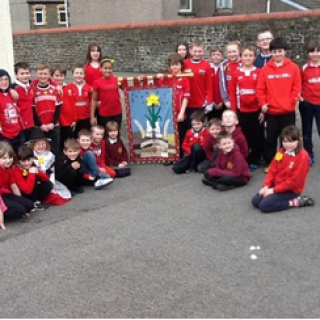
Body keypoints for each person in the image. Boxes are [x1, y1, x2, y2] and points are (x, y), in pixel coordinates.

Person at [256, 37, 301, 173]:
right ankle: (271, 163)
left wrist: (290, 101)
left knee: (287, 141)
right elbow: (260, 89)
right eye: (274, 51)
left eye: (280, 51)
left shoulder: (293, 67)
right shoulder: (265, 70)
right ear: (271, 53)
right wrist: (263, 103)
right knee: (270, 139)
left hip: (287, 111)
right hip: (271, 112)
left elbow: (296, 87)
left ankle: (286, 164)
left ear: (285, 51)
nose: (277, 54)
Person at [252, 125, 314, 213]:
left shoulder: (303, 157)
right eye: (285, 141)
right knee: (255, 201)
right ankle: (276, 195)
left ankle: (294, 202)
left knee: (264, 205)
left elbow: (294, 182)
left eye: (291, 141)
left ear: (299, 141)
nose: (288, 145)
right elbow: (272, 170)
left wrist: (273, 190)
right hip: (277, 184)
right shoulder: (281, 151)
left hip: (291, 189)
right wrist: (266, 186)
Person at [229, 45, 263, 169]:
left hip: (256, 110)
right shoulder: (235, 73)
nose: (247, 58)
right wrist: (233, 112)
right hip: (241, 110)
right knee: (244, 136)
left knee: (257, 135)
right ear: (241, 57)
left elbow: (262, 91)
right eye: (245, 55)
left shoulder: (259, 72)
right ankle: (244, 158)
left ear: (254, 57)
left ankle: (256, 158)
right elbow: (232, 93)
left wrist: (262, 110)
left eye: (250, 55)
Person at [27, 128, 71, 205]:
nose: (41, 146)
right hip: (34, 180)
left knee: (52, 188)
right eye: (38, 144)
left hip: (46, 179)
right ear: (33, 145)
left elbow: (52, 170)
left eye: (43, 144)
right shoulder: (30, 156)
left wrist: (52, 182)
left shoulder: (50, 155)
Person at [0, 141, 34, 225]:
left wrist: (20, 200)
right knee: (20, 210)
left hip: (4, 194)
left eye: (10, 157)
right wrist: (0, 218)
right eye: (4, 158)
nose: (8, 160)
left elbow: (13, 185)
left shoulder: (8, 168)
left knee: (29, 205)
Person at [33, 62, 62, 155]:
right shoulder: (32, 89)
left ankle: (55, 168)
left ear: (49, 74)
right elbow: (32, 109)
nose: (43, 76)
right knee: (40, 151)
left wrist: (53, 123)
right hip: (39, 126)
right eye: (40, 74)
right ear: (36, 74)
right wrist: (40, 125)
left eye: (45, 74)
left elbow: (58, 107)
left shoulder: (55, 88)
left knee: (54, 150)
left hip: (53, 125)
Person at [183, 39, 213, 127]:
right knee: (188, 127)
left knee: (200, 127)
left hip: (201, 103)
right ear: (190, 51)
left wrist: (209, 103)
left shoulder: (206, 65)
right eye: (195, 51)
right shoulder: (184, 63)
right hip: (186, 102)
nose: (197, 53)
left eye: (199, 51)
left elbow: (209, 85)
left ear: (203, 51)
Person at [299, 41, 320, 165]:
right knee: (306, 132)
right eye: (312, 51)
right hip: (307, 104)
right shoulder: (304, 68)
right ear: (308, 53)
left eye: (318, 51)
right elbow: (298, 84)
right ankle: (309, 154)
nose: (315, 54)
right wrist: (301, 98)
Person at [91, 57, 122, 129]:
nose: (108, 70)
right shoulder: (97, 82)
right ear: (100, 69)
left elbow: (127, 89)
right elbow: (94, 100)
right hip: (104, 114)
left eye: (110, 68)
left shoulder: (117, 80)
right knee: (104, 134)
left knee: (116, 133)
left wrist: (139, 81)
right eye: (105, 68)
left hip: (117, 112)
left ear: (112, 69)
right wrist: (92, 116)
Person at [52, 66, 76, 149]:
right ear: (52, 76)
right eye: (56, 75)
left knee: (67, 143)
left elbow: (73, 105)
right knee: (58, 144)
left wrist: (74, 119)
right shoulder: (51, 88)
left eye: (61, 75)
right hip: (56, 122)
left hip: (68, 121)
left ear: (65, 76)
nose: (59, 78)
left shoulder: (69, 88)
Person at [67, 63, 93, 138]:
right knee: (74, 138)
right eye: (76, 73)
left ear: (84, 75)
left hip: (86, 118)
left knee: (85, 137)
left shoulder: (89, 88)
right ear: (72, 74)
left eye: (81, 73)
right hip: (73, 120)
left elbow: (92, 102)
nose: (79, 75)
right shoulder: (68, 88)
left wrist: (92, 117)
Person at [0, 69, 23, 152]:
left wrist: (10, 89)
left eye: (6, 79)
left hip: (17, 133)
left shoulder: (13, 93)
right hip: (4, 135)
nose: (4, 82)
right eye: (1, 80)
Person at [13, 62, 35, 143]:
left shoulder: (32, 85)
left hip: (31, 124)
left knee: (30, 147)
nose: (25, 76)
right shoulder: (13, 88)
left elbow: (45, 79)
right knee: (22, 149)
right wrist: (9, 89)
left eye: (27, 73)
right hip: (20, 126)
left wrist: (55, 84)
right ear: (16, 75)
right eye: (22, 74)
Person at [219, 41, 242, 110]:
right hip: (230, 100)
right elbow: (222, 82)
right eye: (229, 52)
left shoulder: (245, 62)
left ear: (239, 51)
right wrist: (225, 100)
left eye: (234, 51)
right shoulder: (224, 64)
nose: (232, 54)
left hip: (243, 99)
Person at [207, 46, 225, 120]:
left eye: (218, 54)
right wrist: (211, 101)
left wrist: (222, 101)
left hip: (223, 102)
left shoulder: (225, 68)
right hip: (210, 102)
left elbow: (225, 87)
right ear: (210, 56)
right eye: (213, 54)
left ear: (222, 56)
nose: (216, 57)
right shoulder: (207, 68)